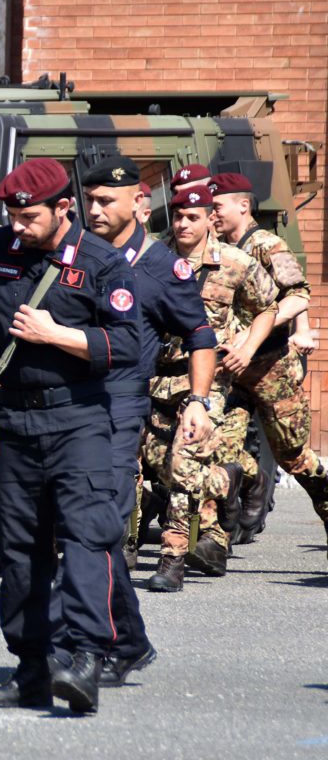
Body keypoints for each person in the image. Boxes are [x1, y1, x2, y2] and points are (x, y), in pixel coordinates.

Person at [0, 157, 140, 714]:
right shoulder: (0, 248)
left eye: (29, 217)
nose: (18, 226)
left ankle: (86, 659)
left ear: (64, 207)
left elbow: (125, 345)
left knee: (86, 539)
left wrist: (56, 334)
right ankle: (31, 667)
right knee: (19, 549)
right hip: (15, 420)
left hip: (78, 418)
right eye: (12, 216)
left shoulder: (101, 262)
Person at [79, 156, 217, 686]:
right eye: (89, 200)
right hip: (67, 405)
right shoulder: (75, 252)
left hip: (119, 407)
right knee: (72, 529)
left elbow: (199, 333)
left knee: (99, 524)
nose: (95, 210)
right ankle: (125, 640)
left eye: (106, 201)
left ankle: (97, 645)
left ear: (138, 202)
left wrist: (198, 401)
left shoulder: (161, 266)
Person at [142, 185, 277, 591]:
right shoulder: (153, 257)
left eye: (193, 217)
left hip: (207, 378)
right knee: (159, 464)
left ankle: (172, 559)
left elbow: (268, 307)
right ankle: (228, 479)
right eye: (178, 216)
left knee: (183, 461)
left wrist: (247, 346)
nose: (183, 224)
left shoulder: (235, 262)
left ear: (209, 219)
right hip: (157, 376)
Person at [209, 172, 328, 551]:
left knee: (294, 457)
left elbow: (299, 295)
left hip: (270, 368)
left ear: (243, 205)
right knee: (220, 448)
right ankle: (251, 486)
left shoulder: (266, 245)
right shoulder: (215, 249)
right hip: (232, 372)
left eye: (217, 207)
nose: (212, 214)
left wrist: (257, 332)